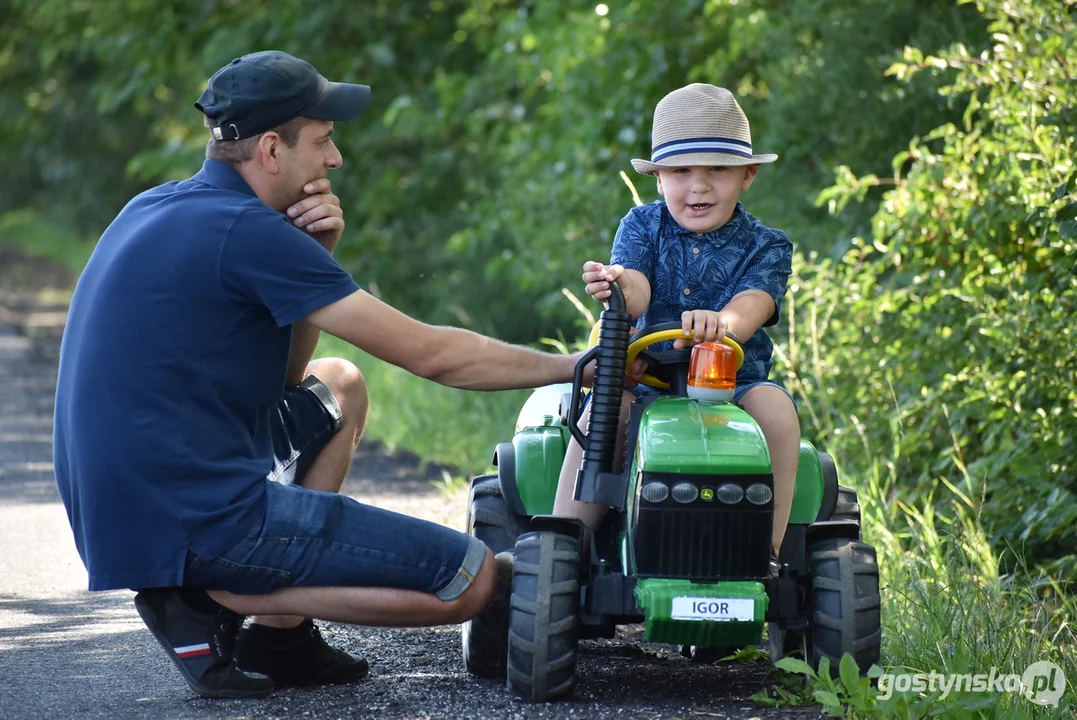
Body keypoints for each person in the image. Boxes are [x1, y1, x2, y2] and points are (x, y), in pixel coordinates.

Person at [53, 51, 588, 699]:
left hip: (128, 504)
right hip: (194, 516)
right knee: (470, 580)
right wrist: (578, 367)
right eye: (324, 140)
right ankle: (208, 598)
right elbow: (434, 356)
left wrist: (314, 255)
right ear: (272, 149)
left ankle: (280, 636)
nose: (335, 160)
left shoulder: (159, 205)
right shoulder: (247, 230)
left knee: (341, 384)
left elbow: (287, 379)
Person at [552, 84, 799, 573]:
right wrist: (620, 285)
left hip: (733, 385)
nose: (699, 186)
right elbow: (639, 288)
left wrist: (722, 324)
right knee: (605, 410)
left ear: (747, 175)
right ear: (659, 178)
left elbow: (754, 304)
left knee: (776, 409)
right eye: (681, 171)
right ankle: (566, 545)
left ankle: (765, 553)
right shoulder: (642, 226)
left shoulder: (768, 245)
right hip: (647, 381)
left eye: (717, 171)